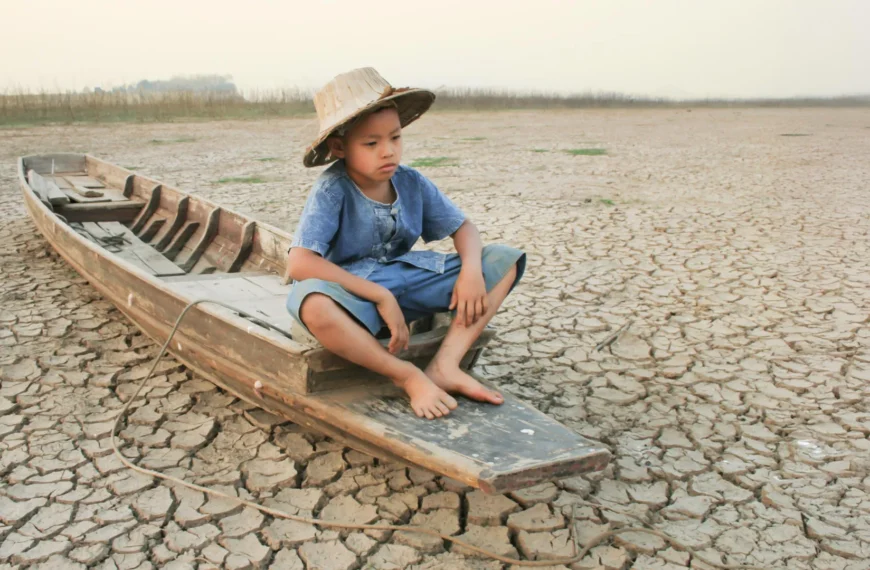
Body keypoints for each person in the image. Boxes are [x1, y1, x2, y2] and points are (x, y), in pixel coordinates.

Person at [284, 67, 525, 419]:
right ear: (339, 147)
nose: (388, 152)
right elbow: (299, 264)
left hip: (407, 280)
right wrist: (379, 296)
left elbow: (465, 228)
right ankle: (407, 376)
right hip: (353, 297)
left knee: (503, 260)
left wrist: (471, 271)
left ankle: (446, 364)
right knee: (311, 304)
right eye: (371, 143)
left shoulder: (411, 181)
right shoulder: (332, 189)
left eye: (395, 138)